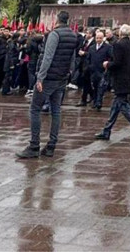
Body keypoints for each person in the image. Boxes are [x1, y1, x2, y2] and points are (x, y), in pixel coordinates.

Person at [16, 11, 77, 159]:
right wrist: (69, 73)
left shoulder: (55, 34)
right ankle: (51, 145)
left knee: (35, 109)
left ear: (57, 19)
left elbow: (48, 56)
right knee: (56, 110)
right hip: (61, 77)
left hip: (49, 77)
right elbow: (72, 57)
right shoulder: (73, 35)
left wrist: (40, 77)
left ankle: (34, 145)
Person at [94, 25, 130, 143]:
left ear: (120, 33)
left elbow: (117, 63)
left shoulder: (118, 45)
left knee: (123, 106)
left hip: (120, 80)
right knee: (116, 106)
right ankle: (106, 131)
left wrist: (107, 64)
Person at [83, 30, 111, 110]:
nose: (98, 40)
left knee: (101, 87)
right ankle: (95, 101)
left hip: (102, 70)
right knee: (94, 86)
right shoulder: (92, 48)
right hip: (93, 70)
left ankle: (99, 102)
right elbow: (88, 58)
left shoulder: (107, 47)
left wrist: (107, 65)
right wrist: (88, 66)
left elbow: (111, 57)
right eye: (97, 38)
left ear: (103, 38)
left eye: (100, 38)